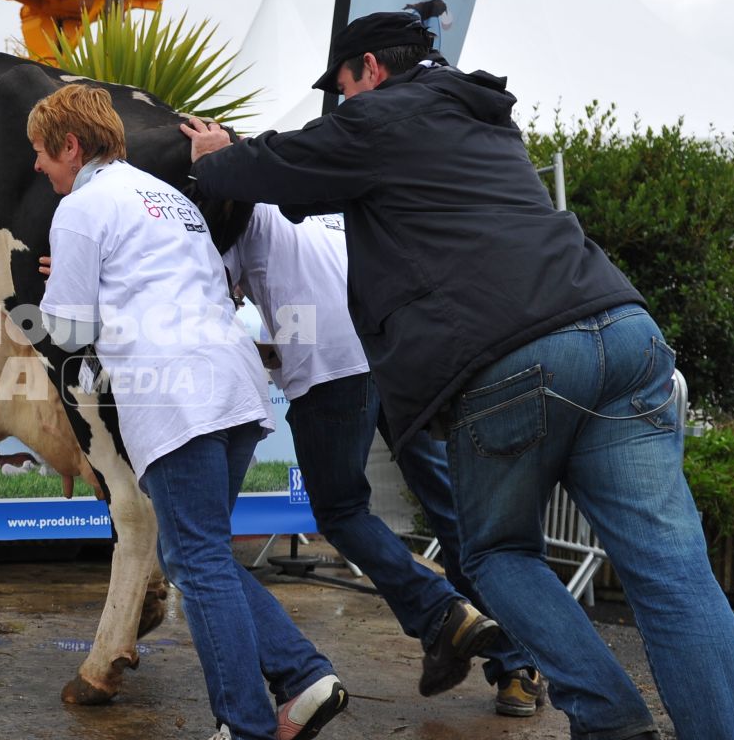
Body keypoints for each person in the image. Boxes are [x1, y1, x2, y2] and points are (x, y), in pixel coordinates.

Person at [184, 11, 734, 740]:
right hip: (622, 332)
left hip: (514, 362)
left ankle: (606, 715)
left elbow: (282, 167)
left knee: (498, 552)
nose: (339, 105)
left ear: (366, 70)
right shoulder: (477, 118)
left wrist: (215, 153)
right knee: (676, 576)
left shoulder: (385, 113)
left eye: (340, 88)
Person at [32, 82, 346, 740]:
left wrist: (55, 292)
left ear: (72, 146)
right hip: (232, 384)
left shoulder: (80, 206)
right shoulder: (167, 198)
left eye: (41, 152)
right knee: (195, 553)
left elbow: (71, 331)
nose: (37, 167)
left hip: (174, 392)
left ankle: (248, 737)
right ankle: (301, 677)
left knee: (196, 559)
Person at [222, 203, 543, 713]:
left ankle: (443, 615)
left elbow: (206, 302)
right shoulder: (332, 203)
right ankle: (517, 663)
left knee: (342, 511)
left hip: (334, 371)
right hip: (397, 356)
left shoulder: (238, 207)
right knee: (449, 506)